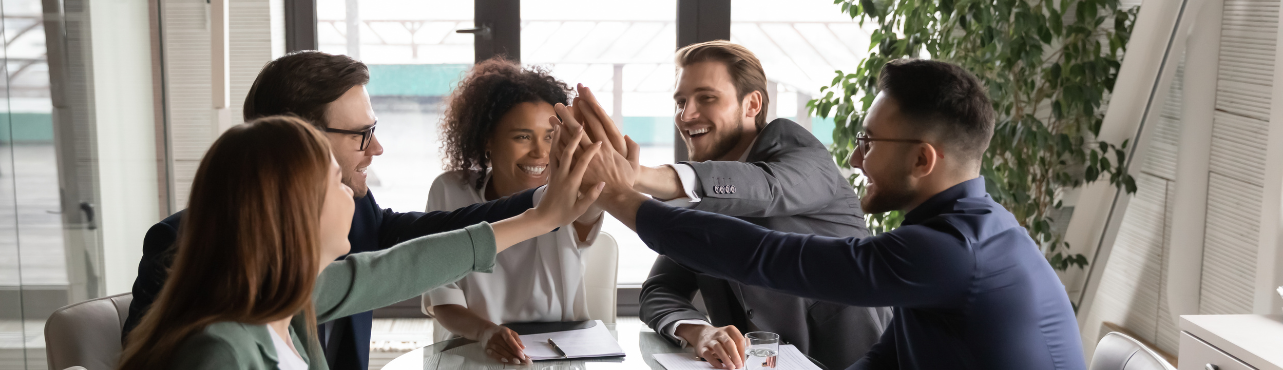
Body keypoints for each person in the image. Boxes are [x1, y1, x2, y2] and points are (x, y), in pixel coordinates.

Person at [581, 58, 1086, 369]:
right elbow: (891, 356)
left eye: (868, 142)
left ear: (921, 159)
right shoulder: (974, 228)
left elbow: (769, 256)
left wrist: (625, 196)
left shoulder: (947, 251)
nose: (854, 158)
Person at [125, 51, 544, 370]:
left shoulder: (297, 284)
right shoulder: (216, 325)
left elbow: (411, 260)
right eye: (362, 134)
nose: (377, 148)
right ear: (294, 143)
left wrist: (543, 207)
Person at [565, 40, 888, 369]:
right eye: (681, 101)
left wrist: (636, 176)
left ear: (752, 105)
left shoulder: (798, 151)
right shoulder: (699, 197)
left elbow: (766, 188)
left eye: (706, 98)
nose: (686, 115)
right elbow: (658, 290)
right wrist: (700, 331)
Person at [423, 58, 604, 365]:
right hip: (473, 350)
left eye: (550, 137)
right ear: (488, 140)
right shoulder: (449, 190)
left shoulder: (572, 190)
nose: (539, 152)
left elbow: (588, 215)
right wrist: (487, 333)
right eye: (522, 136)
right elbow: (442, 298)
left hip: (559, 353)